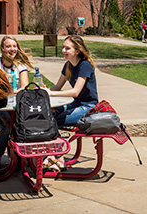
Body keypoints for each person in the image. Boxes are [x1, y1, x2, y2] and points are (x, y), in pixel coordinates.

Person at [42, 35, 98, 171]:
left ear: (77, 51)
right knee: (46, 116)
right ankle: (52, 154)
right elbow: (57, 87)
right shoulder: (68, 65)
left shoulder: (84, 65)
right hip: (75, 103)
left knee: (52, 122)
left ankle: (59, 157)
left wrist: (52, 94)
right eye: (63, 47)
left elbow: (75, 92)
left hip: (87, 106)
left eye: (67, 48)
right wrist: (43, 91)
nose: (63, 50)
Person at [0, 36, 34, 169]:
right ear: (2, 49)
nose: (12, 49)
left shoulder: (20, 65)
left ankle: (26, 156)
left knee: (27, 123)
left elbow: (25, 86)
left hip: (16, 105)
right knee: (8, 125)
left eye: (14, 46)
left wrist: (17, 90)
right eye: (8, 46)